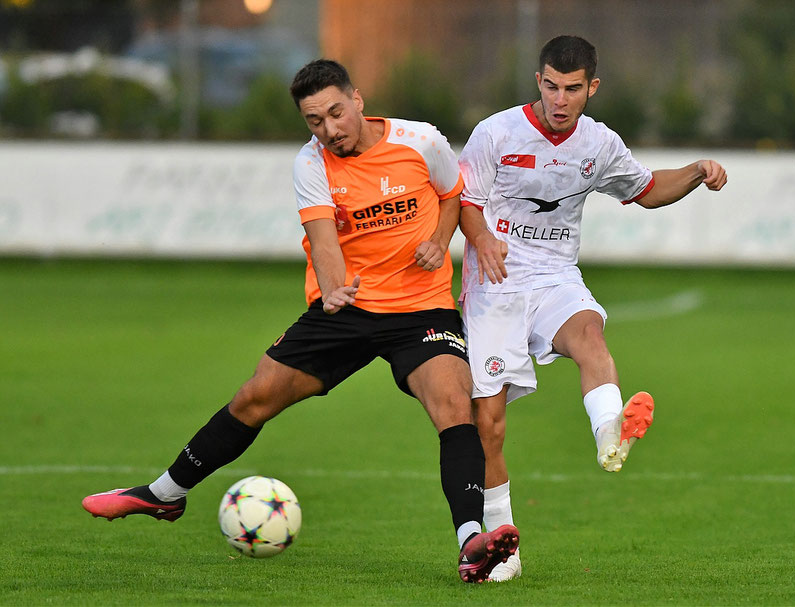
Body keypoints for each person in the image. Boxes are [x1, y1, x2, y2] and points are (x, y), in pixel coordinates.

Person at [82, 59, 518, 584]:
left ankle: (471, 541)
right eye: (315, 121)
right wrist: (334, 288)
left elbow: (451, 195)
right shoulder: (310, 165)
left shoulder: (421, 141)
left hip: (421, 308)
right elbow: (325, 239)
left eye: (336, 112)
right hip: (347, 309)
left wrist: (437, 240)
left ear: (357, 100)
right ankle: (163, 495)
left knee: (455, 405)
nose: (330, 129)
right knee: (254, 397)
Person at [458, 35, 727, 581]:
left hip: (556, 277)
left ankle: (611, 435)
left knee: (591, 340)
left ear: (591, 89)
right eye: (552, 86)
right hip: (496, 284)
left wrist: (696, 171)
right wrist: (481, 237)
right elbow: (463, 201)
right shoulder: (496, 132)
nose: (561, 99)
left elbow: (646, 188)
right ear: (539, 81)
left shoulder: (598, 145)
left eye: (573, 89)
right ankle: (501, 554)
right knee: (488, 424)